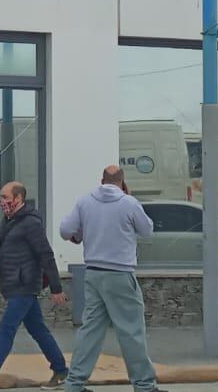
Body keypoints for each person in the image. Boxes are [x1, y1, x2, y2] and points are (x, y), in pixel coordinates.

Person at [58, 165, 159, 392]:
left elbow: (65, 230)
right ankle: (144, 385)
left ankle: (74, 384)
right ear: (122, 183)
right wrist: (128, 198)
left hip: (93, 274)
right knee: (131, 331)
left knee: (90, 330)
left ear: (101, 180)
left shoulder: (85, 202)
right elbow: (147, 230)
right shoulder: (128, 203)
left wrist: (79, 234)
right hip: (121, 274)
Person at [0, 182, 67, 391]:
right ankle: (61, 370)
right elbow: (6, 248)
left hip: (25, 284)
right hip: (14, 283)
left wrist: (56, 288)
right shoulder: (9, 221)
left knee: (7, 328)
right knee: (37, 329)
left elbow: (46, 255)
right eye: (1, 197)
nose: (2, 202)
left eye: (5, 197)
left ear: (18, 199)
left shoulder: (31, 223)